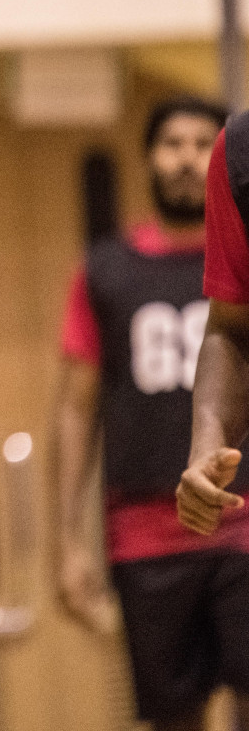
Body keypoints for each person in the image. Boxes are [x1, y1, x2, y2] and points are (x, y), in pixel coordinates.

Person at [55, 96, 243, 731]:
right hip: (146, 531)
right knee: (172, 717)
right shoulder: (106, 270)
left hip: (246, 523)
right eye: (171, 144)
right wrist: (66, 542)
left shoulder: (242, 258)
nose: (187, 159)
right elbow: (75, 410)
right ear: (148, 158)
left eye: (200, 144)